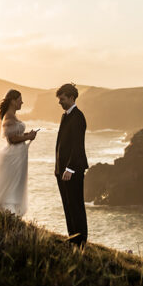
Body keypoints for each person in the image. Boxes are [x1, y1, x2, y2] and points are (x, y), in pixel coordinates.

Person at [54, 83, 88, 245]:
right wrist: (58, 168)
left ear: (71, 98)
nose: (60, 102)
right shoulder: (65, 116)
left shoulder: (78, 117)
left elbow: (77, 145)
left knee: (76, 205)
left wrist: (69, 168)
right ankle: (72, 237)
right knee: (67, 205)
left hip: (72, 170)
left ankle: (80, 241)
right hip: (62, 170)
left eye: (62, 99)